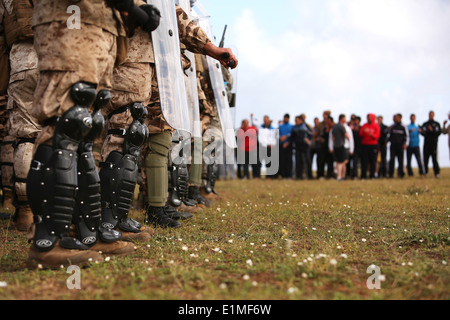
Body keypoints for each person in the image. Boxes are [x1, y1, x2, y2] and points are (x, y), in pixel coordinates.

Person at [329, 114, 354, 181]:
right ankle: (339, 175)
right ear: (342, 119)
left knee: (339, 161)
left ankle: (342, 175)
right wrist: (349, 142)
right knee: (341, 162)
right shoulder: (342, 127)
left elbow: (332, 137)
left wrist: (334, 143)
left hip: (336, 146)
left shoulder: (334, 127)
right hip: (342, 146)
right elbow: (347, 136)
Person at [420, 111, 442, 178]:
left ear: (433, 115)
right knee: (425, 159)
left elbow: (439, 132)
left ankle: (437, 173)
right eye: (430, 115)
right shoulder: (425, 124)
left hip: (434, 144)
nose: (431, 116)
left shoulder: (436, 124)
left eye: (432, 115)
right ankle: (425, 172)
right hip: (426, 144)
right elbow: (423, 133)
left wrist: (432, 130)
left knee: (434, 159)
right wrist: (422, 131)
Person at [291, 115, 313, 180]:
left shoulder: (305, 126)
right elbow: (292, 137)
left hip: (305, 146)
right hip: (297, 146)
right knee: (298, 161)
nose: (296, 121)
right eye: (295, 120)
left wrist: (308, 139)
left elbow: (311, 134)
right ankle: (299, 176)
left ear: (301, 120)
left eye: (297, 120)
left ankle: (309, 176)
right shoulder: (294, 128)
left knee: (307, 160)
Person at [388, 114, 409, 179]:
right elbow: (389, 136)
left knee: (400, 160)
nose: (396, 119)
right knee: (391, 160)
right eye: (395, 118)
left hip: (400, 146)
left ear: (400, 118)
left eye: (397, 118)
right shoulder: (392, 126)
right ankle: (391, 174)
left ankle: (401, 174)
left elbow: (407, 136)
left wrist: (406, 144)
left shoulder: (403, 126)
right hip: (393, 146)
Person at [360, 114, 380, 179]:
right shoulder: (364, 125)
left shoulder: (376, 126)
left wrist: (372, 135)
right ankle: (363, 175)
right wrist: (364, 132)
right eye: (368, 117)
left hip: (373, 145)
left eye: (370, 117)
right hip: (365, 145)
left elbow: (377, 135)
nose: (369, 119)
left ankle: (372, 175)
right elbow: (360, 133)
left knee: (373, 161)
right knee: (364, 161)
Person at [278, 114, 293, 179]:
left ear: (288, 119)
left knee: (289, 160)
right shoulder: (280, 126)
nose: (286, 119)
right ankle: (283, 175)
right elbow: (276, 135)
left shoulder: (291, 126)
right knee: (282, 160)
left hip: (289, 145)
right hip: (281, 145)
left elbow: (292, 135)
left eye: (287, 118)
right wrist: (280, 138)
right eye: (285, 118)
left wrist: (287, 140)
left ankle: (289, 175)